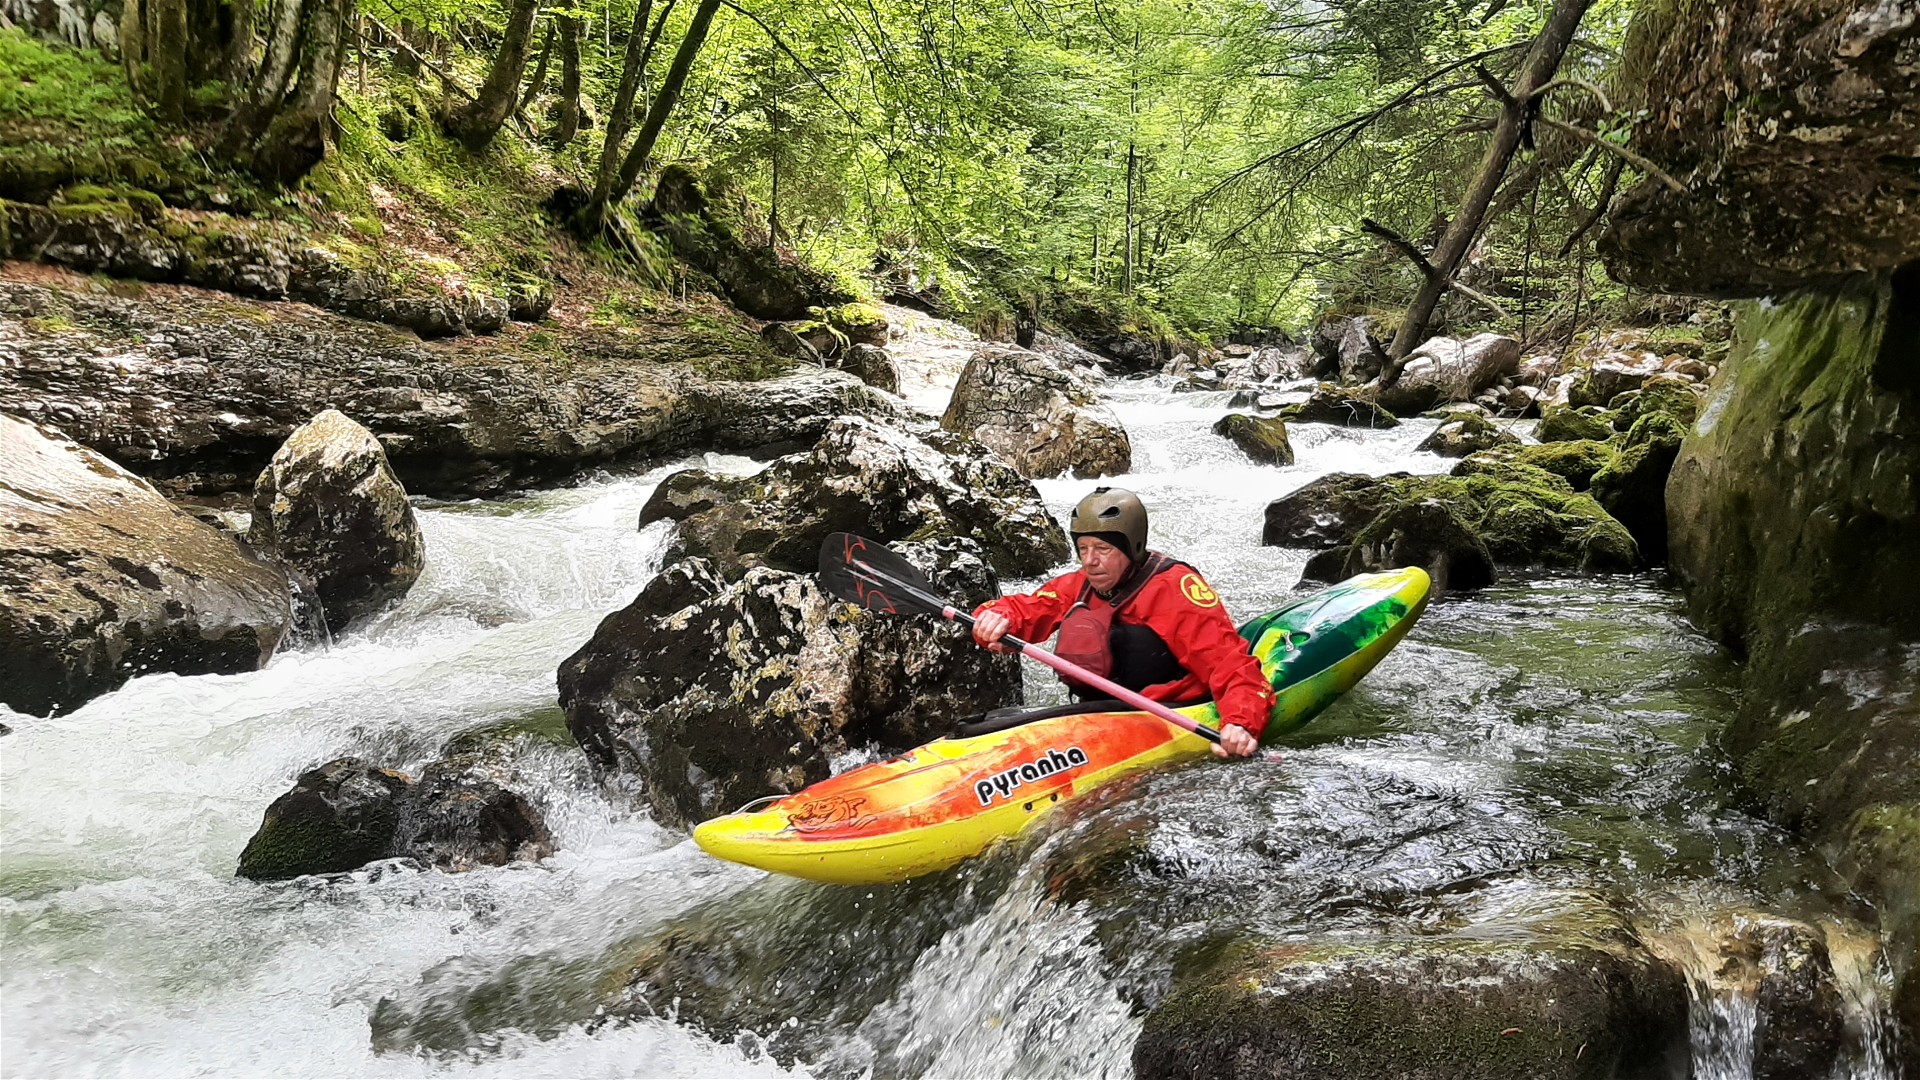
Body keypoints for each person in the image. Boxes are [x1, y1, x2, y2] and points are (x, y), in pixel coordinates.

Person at [971, 487, 1273, 759]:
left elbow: (1232, 667)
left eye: (1103, 549)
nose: (1090, 561)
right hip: (1100, 713)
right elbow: (1029, 609)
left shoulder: (1174, 590)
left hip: (1167, 709)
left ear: (1133, 548)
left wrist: (1240, 722)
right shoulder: (1080, 584)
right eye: (1083, 549)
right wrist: (996, 617)